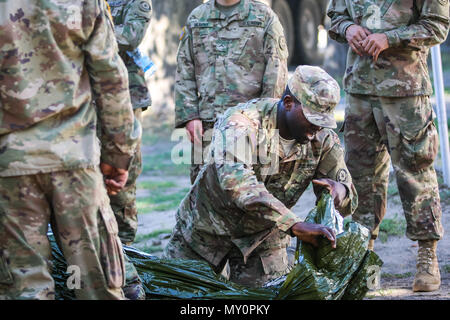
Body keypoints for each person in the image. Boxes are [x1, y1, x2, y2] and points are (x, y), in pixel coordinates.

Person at [164, 65, 358, 287]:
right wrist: (294, 224)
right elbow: (237, 183)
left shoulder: (322, 139)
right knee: (177, 293)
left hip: (263, 238)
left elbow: (348, 195)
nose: (317, 127)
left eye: (323, 120)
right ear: (288, 103)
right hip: (206, 230)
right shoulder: (242, 122)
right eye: (312, 117)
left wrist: (340, 193)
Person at [0, 0, 141, 299]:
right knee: (97, 286)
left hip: (10, 166)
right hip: (75, 159)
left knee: (25, 290)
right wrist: (118, 155)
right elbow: (110, 78)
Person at [328, 0, 450, 292]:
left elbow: (437, 25)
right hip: (359, 89)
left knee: (415, 174)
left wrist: (389, 38)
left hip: (405, 91)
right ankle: (363, 259)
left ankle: (426, 257)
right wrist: (348, 28)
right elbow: (334, 17)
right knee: (360, 178)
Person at [174, 0, 289, 183]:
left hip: (251, 125)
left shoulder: (264, 17)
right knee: (205, 190)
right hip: (208, 125)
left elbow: (276, 74)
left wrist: (266, 122)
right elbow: (184, 69)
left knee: (253, 191)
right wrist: (190, 116)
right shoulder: (197, 18)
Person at [105, 0, 153, 300]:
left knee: (124, 178)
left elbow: (131, 36)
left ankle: (125, 256)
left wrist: (85, 29)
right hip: (86, 96)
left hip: (126, 95)